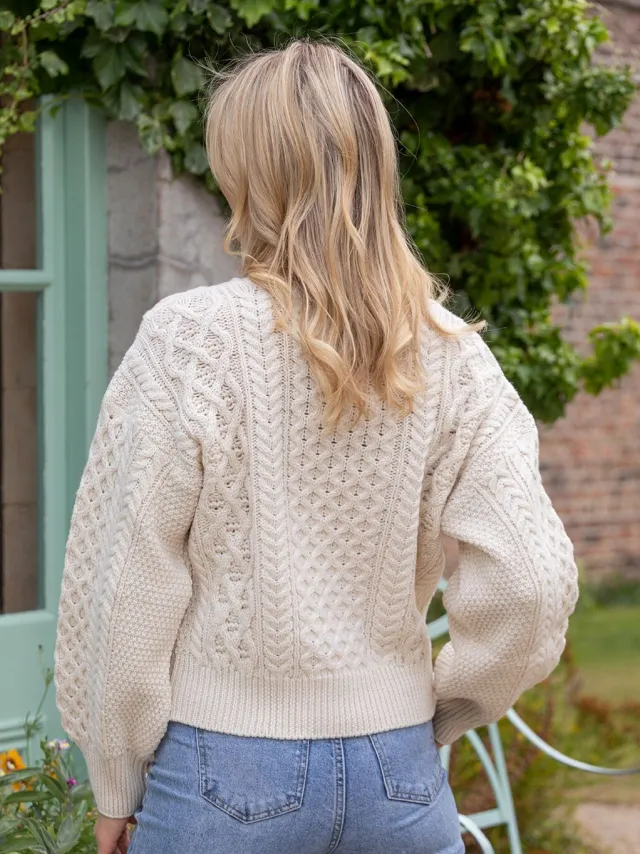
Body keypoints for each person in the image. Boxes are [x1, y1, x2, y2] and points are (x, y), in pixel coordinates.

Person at [54, 39, 579, 854]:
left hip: (220, 772)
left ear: (249, 172)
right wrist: (446, 707)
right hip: (400, 774)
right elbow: (532, 583)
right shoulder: (451, 355)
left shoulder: (188, 342)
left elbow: (125, 583)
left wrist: (115, 777)